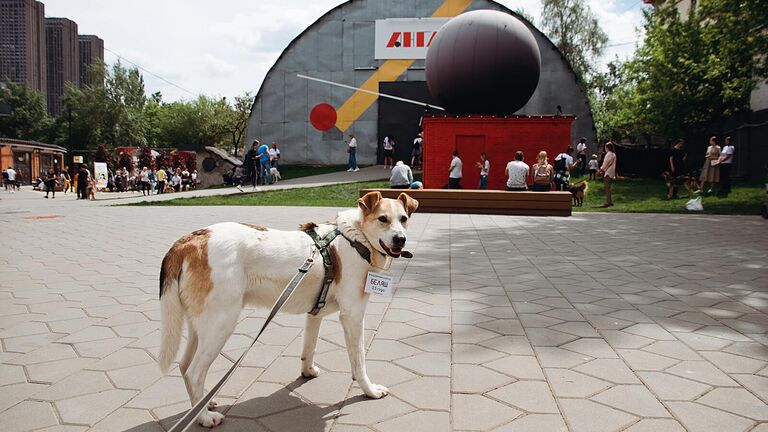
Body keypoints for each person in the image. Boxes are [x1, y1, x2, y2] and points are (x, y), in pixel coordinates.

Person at [599, 142, 617, 207]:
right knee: (609, 188)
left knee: (607, 188)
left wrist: (601, 170)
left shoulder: (608, 154)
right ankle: (610, 201)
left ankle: (608, 202)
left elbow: (605, 163)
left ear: (607, 147)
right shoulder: (614, 154)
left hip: (608, 172)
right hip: (612, 172)